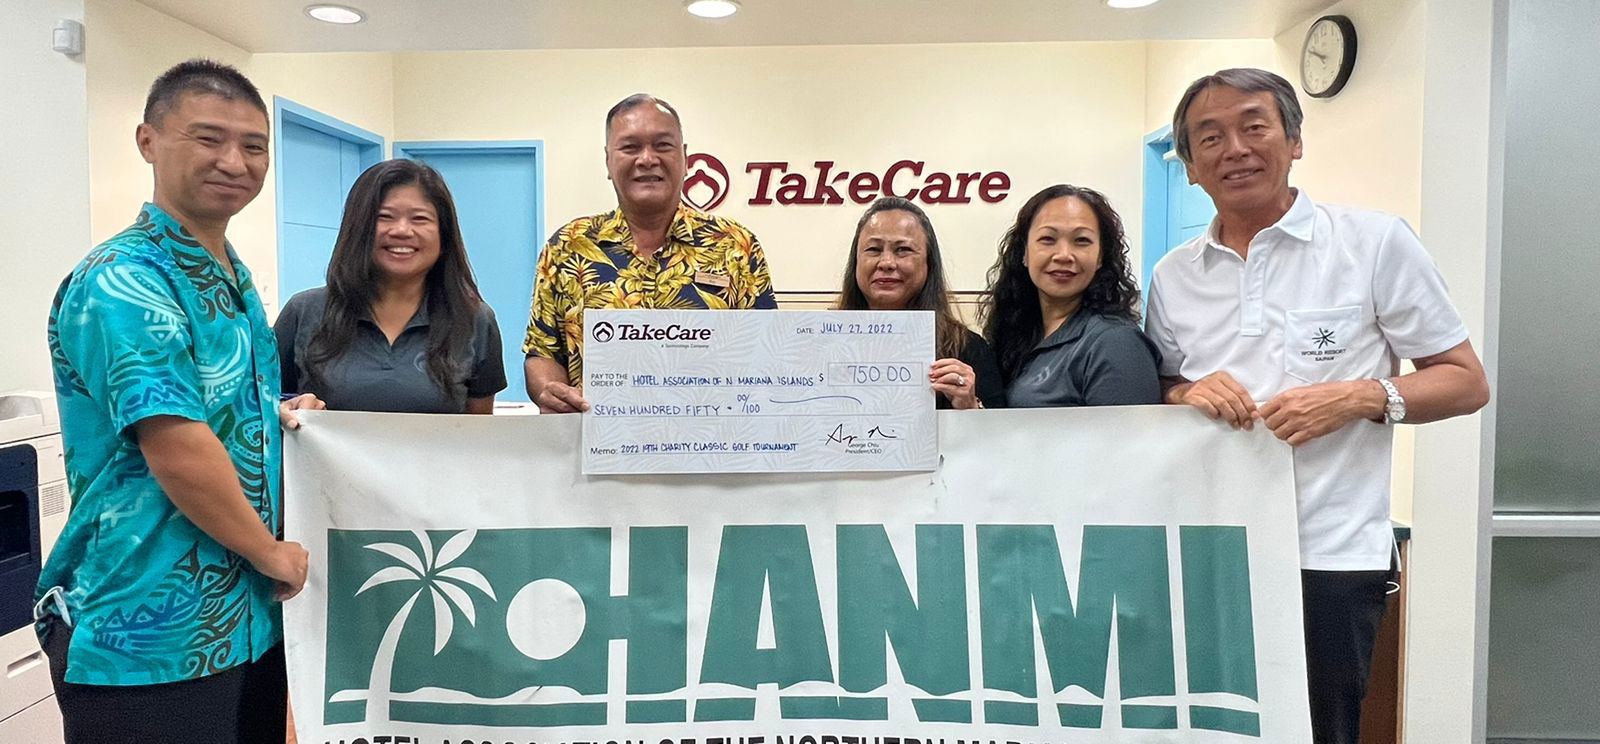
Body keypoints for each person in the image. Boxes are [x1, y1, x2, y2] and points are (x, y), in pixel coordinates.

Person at [1144, 68, 1490, 744]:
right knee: (1207, 729)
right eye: (1209, 138)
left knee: (1318, 731)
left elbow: (1465, 380)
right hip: (1212, 552)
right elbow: (1158, 388)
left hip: (1330, 556)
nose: (1234, 149)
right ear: (1188, 167)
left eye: (1253, 126)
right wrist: (1184, 391)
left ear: (1294, 140)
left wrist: (1364, 395)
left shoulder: (1373, 242)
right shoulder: (1172, 275)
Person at [38, 59, 320, 744]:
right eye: (207, 138)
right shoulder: (125, 280)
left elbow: (209, 411)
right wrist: (271, 553)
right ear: (148, 141)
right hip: (145, 632)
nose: (235, 161)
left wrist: (274, 416)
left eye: (254, 146)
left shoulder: (229, 275)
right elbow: (176, 443)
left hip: (240, 624)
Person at [522, 93, 777, 413]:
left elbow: (768, 355)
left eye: (662, 145)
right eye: (630, 147)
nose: (647, 159)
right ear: (608, 161)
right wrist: (550, 391)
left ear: (685, 159)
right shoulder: (568, 247)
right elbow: (542, 352)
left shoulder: (736, 245)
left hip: (710, 450)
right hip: (596, 450)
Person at [275, 159, 506, 413]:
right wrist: (287, 407)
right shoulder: (303, 312)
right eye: (383, 217)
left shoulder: (475, 320)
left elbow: (478, 434)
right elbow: (263, 409)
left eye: (420, 218)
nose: (402, 230)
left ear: (444, 232)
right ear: (358, 228)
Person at [981, 184, 1161, 407]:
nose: (1064, 255)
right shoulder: (1018, 332)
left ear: (1100, 257)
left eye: (1081, 241)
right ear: (1025, 253)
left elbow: (1128, 440)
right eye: (1048, 239)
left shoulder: (1115, 343)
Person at [835, 197, 1002, 409]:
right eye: (873, 249)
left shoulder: (968, 349)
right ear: (856, 262)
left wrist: (970, 406)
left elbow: (1001, 438)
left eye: (903, 249)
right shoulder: (818, 342)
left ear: (928, 263)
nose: (886, 262)